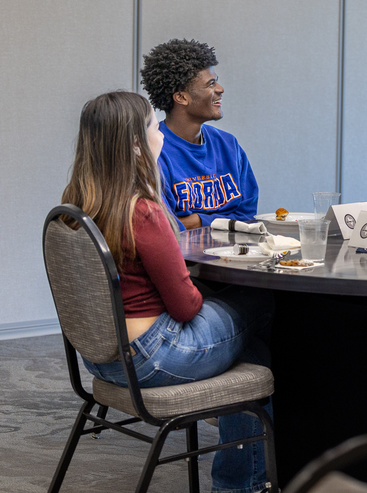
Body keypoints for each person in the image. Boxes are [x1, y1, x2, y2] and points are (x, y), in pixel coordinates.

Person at [62, 91, 274, 493]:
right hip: (154, 356)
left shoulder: (77, 204)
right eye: (153, 126)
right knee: (261, 310)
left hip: (100, 357)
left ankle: (246, 481)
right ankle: (244, 484)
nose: (161, 130)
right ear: (137, 144)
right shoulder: (142, 209)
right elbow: (185, 306)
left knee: (250, 349)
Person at [141, 39, 259, 230]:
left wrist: (197, 220)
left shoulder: (228, 144)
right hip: (184, 258)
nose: (220, 89)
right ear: (181, 97)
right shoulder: (155, 151)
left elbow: (247, 215)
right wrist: (223, 221)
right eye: (211, 84)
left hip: (233, 254)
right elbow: (165, 227)